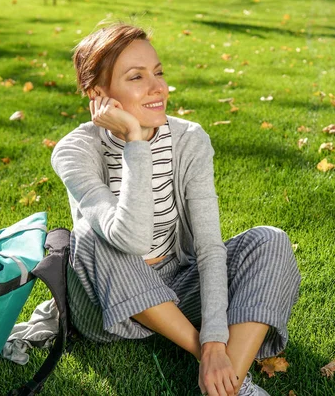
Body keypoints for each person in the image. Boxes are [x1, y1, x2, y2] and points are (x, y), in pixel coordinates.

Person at [51, 22, 301, 396]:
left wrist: (218, 339)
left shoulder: (189, 139)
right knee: (92, 233)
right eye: (136, 77)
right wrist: (135, 141)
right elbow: (130, 239)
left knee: (270, 240)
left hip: (178, 284)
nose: (158, 88)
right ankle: (209, 361)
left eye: (159, 72)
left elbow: (209, 246)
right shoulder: (75, 151)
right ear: (98, 94)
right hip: (108, 303)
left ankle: (229, 384)